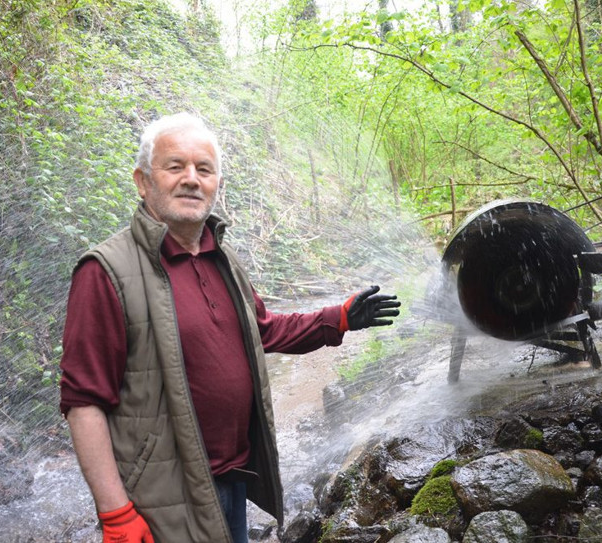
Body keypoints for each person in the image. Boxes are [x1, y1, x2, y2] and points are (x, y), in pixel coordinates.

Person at [59, 112, 401, 543]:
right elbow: (83, 402)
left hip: (231, 478)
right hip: (163, 496)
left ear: (217, 183)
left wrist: (340, 318)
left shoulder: (222, 259)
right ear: (143, 181)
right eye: (175, 166)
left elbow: (263, 331)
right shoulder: (105, 271)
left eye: (204, 169)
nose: (191, 179)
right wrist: (115, 512)